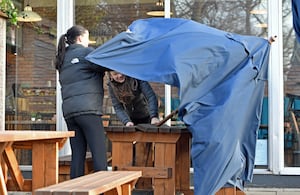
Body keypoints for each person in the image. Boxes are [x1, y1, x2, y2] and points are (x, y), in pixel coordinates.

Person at [55, 25, 108, 179]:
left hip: (70, 112)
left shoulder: (62, 58)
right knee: (99, 155)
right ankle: (101, 189)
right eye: (86, 37)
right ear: (79, 38)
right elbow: (105, 64)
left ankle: (75, 191)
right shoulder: (86, 53)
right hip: (88, 110)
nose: (87, 41)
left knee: (77, 156)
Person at [107, 71, 160, 188]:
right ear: (110, 75)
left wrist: (154, 116)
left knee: (149, 152)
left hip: (147, 116)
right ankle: (131, 184)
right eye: (115, 74)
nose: (119, 76)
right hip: (131, 119)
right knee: (131, 153)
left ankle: (149, 184)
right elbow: (118, 107)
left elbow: (151, 96)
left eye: (120, 73)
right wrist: (126, 121)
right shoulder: (111, 86)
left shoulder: (136, 77)